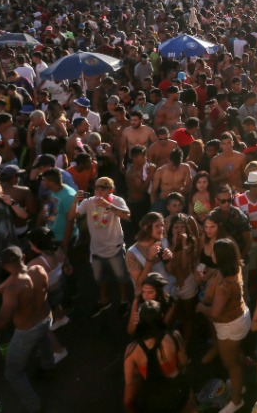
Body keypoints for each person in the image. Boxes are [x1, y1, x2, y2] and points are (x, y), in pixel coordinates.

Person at [0, 245, 53, 413]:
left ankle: (34, 406)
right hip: (46, 318)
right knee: (44, 342)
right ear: (22, 257)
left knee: (13, 372)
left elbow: (2, 321)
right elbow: (19, 277)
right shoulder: (38, 269)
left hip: (27, 330)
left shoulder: (13, 289)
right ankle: (49, 368)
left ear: (4, 266)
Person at [196, 239, 248, 413]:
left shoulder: (225, 286)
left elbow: (215, 313)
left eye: (214, 253)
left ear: (221, 257)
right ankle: (240, 383)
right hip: (241, 318)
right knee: (236, 351)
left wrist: (202, 308)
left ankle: (237, 400)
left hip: (229, 326)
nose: (211, 254)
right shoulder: (235, 268)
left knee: (231, 365)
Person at [72, 176, 133, 317]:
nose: (99, 191)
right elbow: (74, 215)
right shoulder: (89, 202)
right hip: (96, 249)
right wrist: (74, 201)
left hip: (115, 247)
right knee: (100, 278)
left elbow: (127, 216)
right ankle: (104, 301)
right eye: (97, 188)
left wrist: (108, 205)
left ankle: (124, 301)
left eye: (103, 188)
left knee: (121, 277)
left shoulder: (117, 201)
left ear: (111, 190)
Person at [123, 300, 193, 413]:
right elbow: (184, 362)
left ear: (141, 321)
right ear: (161, 317)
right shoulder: (174, 337)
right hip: (177, 393)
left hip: (153, 399)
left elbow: (130, 381)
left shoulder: (132, 350)